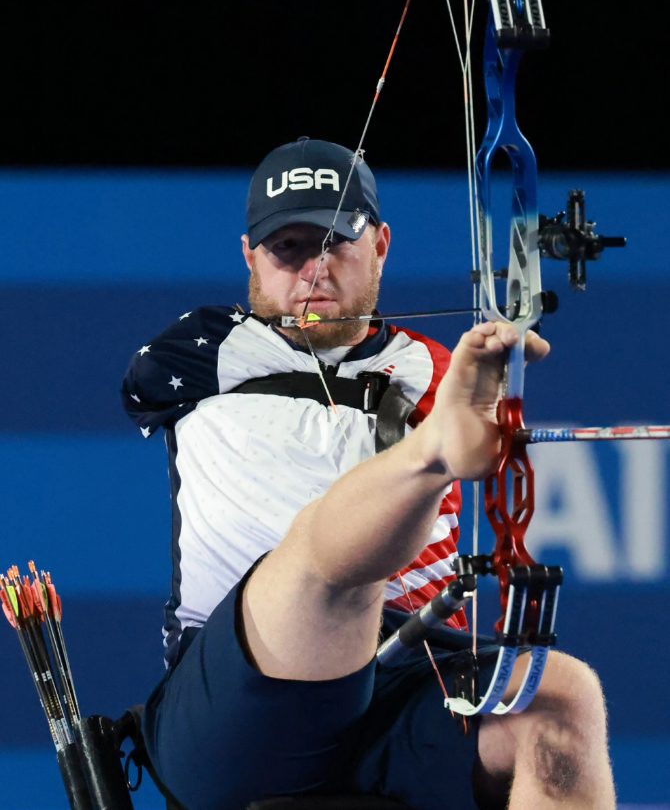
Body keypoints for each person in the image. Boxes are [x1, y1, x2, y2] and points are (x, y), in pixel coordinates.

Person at [122, 138, 615, 810]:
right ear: (250, 259)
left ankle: (432, 454)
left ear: (380, 243)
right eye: (286, 249)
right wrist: (441, 439)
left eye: (335, 243)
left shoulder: (437, 369)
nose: (312, 270)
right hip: (238, 696)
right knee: (326, 573)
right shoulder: (204, 350)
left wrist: (492, 383)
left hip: (408, 669)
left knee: (562, 699)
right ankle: (429, 453)